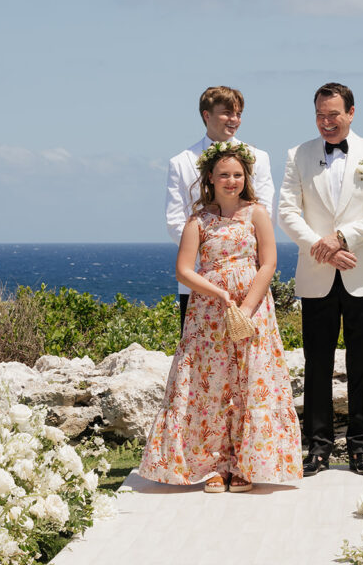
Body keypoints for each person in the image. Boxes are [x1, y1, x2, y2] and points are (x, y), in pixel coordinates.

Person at [139, 141, 302, 492]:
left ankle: (246, 465)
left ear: (246, 178)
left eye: (237, 175)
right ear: (210, 178)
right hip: (208, 315)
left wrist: (245, 308)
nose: (231, 181)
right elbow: (184, 271)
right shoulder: (197, 221)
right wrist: (218, 294)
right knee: (210, 386)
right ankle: (212, 466)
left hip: (253, 309)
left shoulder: (257, 213)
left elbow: (269, 262)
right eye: (224, 174)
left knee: (250, 382)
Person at [278, 81, 363, 477]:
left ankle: (361, 446)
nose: (326, 123)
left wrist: (343, 238)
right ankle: (317, 446)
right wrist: (322, 245)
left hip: (362, 274)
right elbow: (287, 212)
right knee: (316, 364)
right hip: (316, 274)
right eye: (320, 115)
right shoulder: (299, 154)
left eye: (333, 115)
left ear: (350, 112)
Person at [166, 86, 275, 329]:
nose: (234, 119)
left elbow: (265, 213)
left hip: (249, 279)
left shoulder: (259, 157)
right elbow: (175, 220)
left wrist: (236, 260)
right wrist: (211, 259)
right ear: (207, 115)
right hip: (199, 277)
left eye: (238, 113)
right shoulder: (181, 162)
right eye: (227, 113)